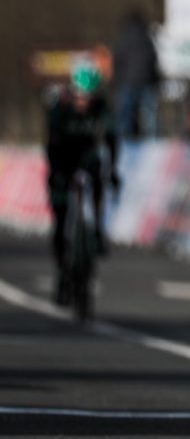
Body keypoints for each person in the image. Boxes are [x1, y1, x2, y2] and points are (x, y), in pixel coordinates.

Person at [45, 59, 120, 303]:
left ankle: (96, 228)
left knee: (99, 176)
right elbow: (51, 143)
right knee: (60, 211)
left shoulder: (101, 108)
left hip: (87, 158)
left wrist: (114, 171)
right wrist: (57, 172)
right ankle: (61, 270)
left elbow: (111, 140)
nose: (83, 102)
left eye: (87, 97)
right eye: (79, 96)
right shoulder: (60, 107)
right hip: (63, 159)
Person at [111, 9, 160, 138]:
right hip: (146, 81)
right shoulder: (147, 39)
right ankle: (152, 141)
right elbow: (154, 60)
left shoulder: (123, 39)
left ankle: (124, 143)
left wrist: (117, 81)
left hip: (127, 82)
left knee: (125, 116)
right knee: (149, 117)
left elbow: (117, 61)